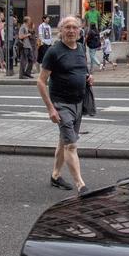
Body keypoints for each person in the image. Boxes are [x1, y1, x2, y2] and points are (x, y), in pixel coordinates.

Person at [38, 15, 91, 195]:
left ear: (79, 31)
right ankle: (81, 185)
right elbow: (41, 81)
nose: (71, 31)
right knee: (71, 145)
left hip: (78, 103)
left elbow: (81, 70)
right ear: (61, 30)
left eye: (74, 27)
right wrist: (51, 108)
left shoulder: (81, 48)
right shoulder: (54, 51)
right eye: (67, 27)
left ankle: (55, 175)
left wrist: (87, 78)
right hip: (61, 104)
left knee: (64, 140)